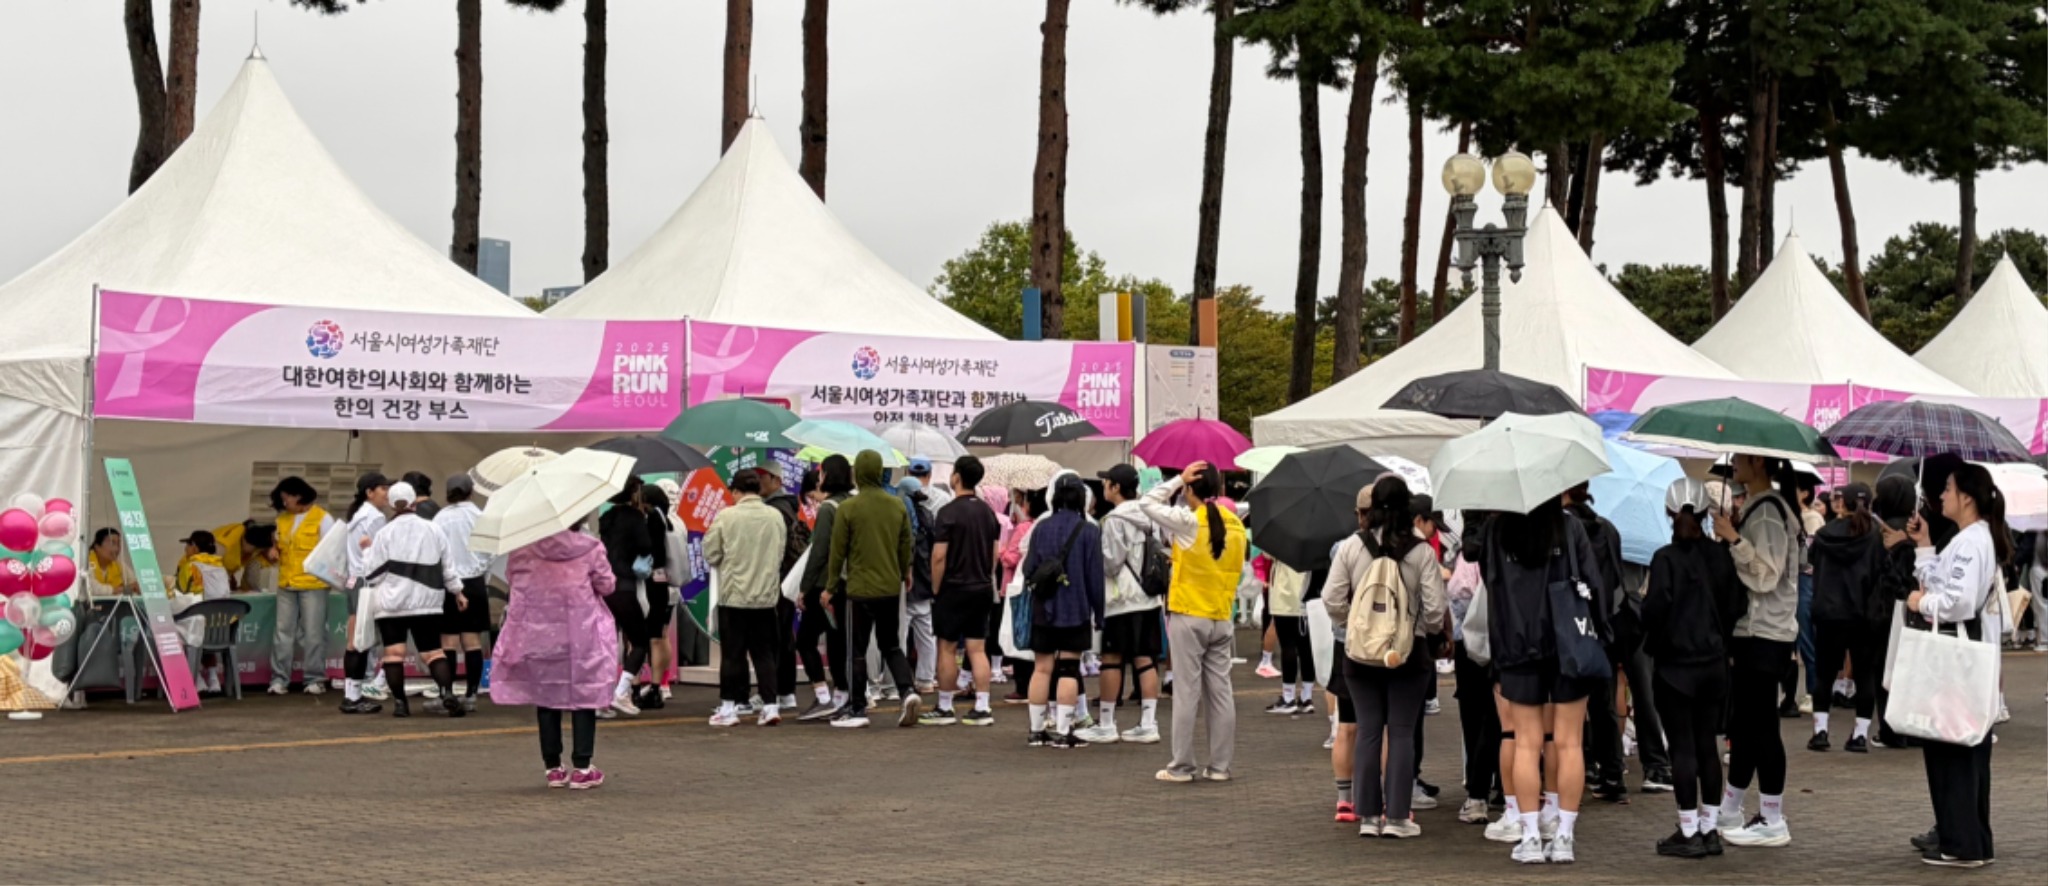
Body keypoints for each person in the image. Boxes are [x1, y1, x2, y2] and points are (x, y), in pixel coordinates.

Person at [1464, 496, 1607, 865]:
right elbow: (1593, 582)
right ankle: (1563, 836)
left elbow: (1490, 580)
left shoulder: (1497, 530)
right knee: (1569, 742)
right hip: (1568, 642)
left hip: (1516, 643)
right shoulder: (1570, 526)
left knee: (1525, 743)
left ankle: (1528, 836)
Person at [1323, 476, 1448, 839]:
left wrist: (1354, 625)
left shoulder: (1352, 546)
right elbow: (1435, 609)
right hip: (1407, 654)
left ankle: (1366, 816)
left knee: (1368, 731)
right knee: (1402, 732)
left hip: (1360, 655)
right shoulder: (1421, 551)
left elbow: (1331, 598)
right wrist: (1420, 630)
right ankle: (1397, 817)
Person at [1902, 465, 2010, 868]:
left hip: (1954, 656)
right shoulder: (1971, 538)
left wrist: (1921, 603)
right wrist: (1925, 546)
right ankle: (1970, 840)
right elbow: (1943, 582)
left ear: (1967, 496)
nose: (1942, 496)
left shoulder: (1971, 541)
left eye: (1948, 489)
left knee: (1953, 750)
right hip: (1963, 655)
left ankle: (1961, 844)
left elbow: (1957, 602)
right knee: (1963, 748)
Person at [1642, 479, 1745, 859]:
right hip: (1714, 664)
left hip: (1674, 668)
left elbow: (1654, 611)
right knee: (1707, 747)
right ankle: (1710, 828)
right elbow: (1736, 606)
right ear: (1705, 512)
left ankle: (1688, 830)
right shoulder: (1721, 556)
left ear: (1669, 512)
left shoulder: (1664, 559)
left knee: (1682, 747)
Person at [1711, 454, 1803, 849]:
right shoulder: (1759, 507)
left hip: (1765, 632)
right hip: (1756, 631)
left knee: (1761, 725)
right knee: (1746, 724)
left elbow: (1767, 575)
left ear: (1760, 463)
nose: (1735, 464)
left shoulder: (1766, 512)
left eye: (1742, 458)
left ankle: (1772, 817)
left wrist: (1734, 540)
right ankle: (1731, 808)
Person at [492, 515, 619, 790]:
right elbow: (607, 585)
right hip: (581, 633)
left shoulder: (522, 549)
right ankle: (582, 767)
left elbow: (513, 579)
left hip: (538, 633)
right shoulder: (590, 547)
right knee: (584, 693)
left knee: (546, 695)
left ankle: (553, 768)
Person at [1142, 460, 1248, 783]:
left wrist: (1177, 479)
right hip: (1222, 616)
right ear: (1219, 488)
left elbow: (1147, 503)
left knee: (1187, 692)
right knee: (1221, 692)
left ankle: (1182, 766)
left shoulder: (1188, 521)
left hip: (1189, 615)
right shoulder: (1236, 524)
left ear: (1190, 489)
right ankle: (1220, 766)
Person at [822, 450, 921, 729]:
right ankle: (907, 691)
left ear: (858, 473)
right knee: (892, 644)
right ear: (879, 472)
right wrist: (905, 571)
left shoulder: (848, 508)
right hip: (890, 587)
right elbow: (906, 543)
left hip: (859, 591)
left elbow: (837, 552)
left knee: (857, 650)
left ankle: (857, 709)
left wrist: (830, 587)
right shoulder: (897, 505)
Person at [362, 482, 468, 718]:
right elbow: (448, 567)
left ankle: (400, 704)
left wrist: (367, 550)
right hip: (427, 602)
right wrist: (458, 592)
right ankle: (447, 693)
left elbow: (371, 574)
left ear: (392, 505)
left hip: (391, 603)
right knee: (434, 653)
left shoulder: (384, 533)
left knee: (393, 654)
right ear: (413, 502)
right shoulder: (433, 529)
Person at [1076, 464, 1164, 744]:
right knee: (1145, 659)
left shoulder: (1114, 520)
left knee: (1112, 659)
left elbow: (1111, 563)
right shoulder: (1150, 515)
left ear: (1115, 487)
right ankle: (1148, 723)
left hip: (1122, 599)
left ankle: (1106, 723)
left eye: (1106, 483)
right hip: (1149, 597)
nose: (1103, 487)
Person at [1019, 473, 1106, 748]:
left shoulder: (1041, 527)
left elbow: (1028, 569)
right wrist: (1099, 613)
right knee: (1069, 668)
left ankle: (1036, 731)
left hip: (1043, 608)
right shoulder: (1089, 530)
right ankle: (1063, 730)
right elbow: (1095, 577)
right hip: (1075, 608)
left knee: (1041, 668)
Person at [920, 455, 1001, 728]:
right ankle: (983, 706)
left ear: (956, 477)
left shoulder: (948, 512)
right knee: (977, 649)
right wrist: (986, 576)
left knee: (947, 647)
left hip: (953, 587)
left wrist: (936, 587)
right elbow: (994, 554)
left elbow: (938, 556)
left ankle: (945, 706)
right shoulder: (988, 512)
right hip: (982, 586)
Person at [703, 468, 788, 727]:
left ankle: (729, 708)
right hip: (766, 596)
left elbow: (711, 552)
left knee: (733, 654)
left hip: (734, 596)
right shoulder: (775, 516)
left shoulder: (727, 516)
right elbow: (780, 552)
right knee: (764, 653)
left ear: (736, 491)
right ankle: (770, 706)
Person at [1806, 482, 1885, 754]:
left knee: (1825, 673)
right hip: (1863, 614)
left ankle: (1820, 731)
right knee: (1865, 675)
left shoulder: (1824, 534)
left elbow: (1811, 561)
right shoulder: (1875, 536)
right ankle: (1860, 735)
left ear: (1842, 503)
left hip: (1828, 612)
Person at [794, 457, 854, 721]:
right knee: (838, 642)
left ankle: (823, 697)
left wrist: (804, 588)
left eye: (821, 473)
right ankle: (841, 696)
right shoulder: (852, 503)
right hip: (849, 584)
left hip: (824, 585)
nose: (818, 479)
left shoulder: (828, 509)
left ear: (828, 475)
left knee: (805, 640)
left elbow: (819, 552)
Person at [269, 476, 336, 697]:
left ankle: (314, 678)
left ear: (298, 496)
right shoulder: (282, 520)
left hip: (313, 584)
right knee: (282, 633)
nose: (284, 502)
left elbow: (332, 551)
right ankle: (279, 679)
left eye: (286, 498)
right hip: (286, 583)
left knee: (314, 633)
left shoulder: (323, 518)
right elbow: (277, 544)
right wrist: (273, 550)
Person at [434, 474, 492, 713]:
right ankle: (471, 694)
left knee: (448, 641)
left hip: (447, 581)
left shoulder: (440, 517)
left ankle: (447, 693)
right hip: (475, 582)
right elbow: (491, 550)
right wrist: (480, 571)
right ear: (471, 491)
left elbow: (434, 550)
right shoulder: (480, 516)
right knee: (472, 641)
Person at [598, 477, 655, 717]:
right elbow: (645, 546)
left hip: (603, 587)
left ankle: (600, 699)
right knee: (640, 641)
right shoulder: (635, 517)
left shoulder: (606, 517)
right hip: (624, 585)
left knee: (608, 643)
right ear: (633, 493)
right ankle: (621, 692)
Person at [338, 473, 392, 708]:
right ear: (369, 492)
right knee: (359, 641)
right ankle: (353, 697)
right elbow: (379, 555)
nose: (387, 493)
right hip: (367, 582)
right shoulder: (375, 517)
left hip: (354, 580)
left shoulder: (357, 514)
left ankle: (352, 694)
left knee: (354, 640)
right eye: (383, 488)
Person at [760, 466, 811, 715]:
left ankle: (776, 692)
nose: (759, 481)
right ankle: (786, 692)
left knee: (773, 637)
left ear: (776, 480)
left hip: (776, 580)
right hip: (787, 580)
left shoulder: (775, 510)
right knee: (784, 635)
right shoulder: (789, 506)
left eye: (763, 477)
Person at [636, 483, 686, 710]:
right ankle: (661, 685)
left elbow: (648, 549)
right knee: (661, 636)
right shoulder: (676, 522)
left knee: (640, 637)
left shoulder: (651, 520)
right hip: (668, 585)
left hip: (649, 583)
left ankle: (638, 686)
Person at [174, 530, 233, 694]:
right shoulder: (221, 567)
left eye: (188, 545)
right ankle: (214, 679)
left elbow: (179, 593)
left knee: (177, 628)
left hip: (199, 628)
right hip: (221, 629)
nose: (185, 549)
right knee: (201, 621)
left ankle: (197, 678)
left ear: (194, 547)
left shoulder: (190, 567)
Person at [1256, 550, 1315, 716]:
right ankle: (1307, 697)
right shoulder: (1312, 542)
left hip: (1284, 599)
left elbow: (1267, 554)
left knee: (1288, 646)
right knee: (1306, 649)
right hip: (1306, 599)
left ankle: (1288, 697)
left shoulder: (1281, 542)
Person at [897, 475, 941, 696]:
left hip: (902, 586)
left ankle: (900, 681)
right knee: (927, 636)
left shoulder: (897, 514)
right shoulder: (928, 515)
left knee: (900, 636)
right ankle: (925, 679)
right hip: (924, 584)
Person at [87, 529, 139, 595]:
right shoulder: (86, 563)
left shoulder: (119, 565)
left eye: (118, 544)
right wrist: (121, 589)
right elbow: (92, 588)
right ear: (97, 547)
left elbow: (135, 585)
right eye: (112, 543)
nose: (116, 549)